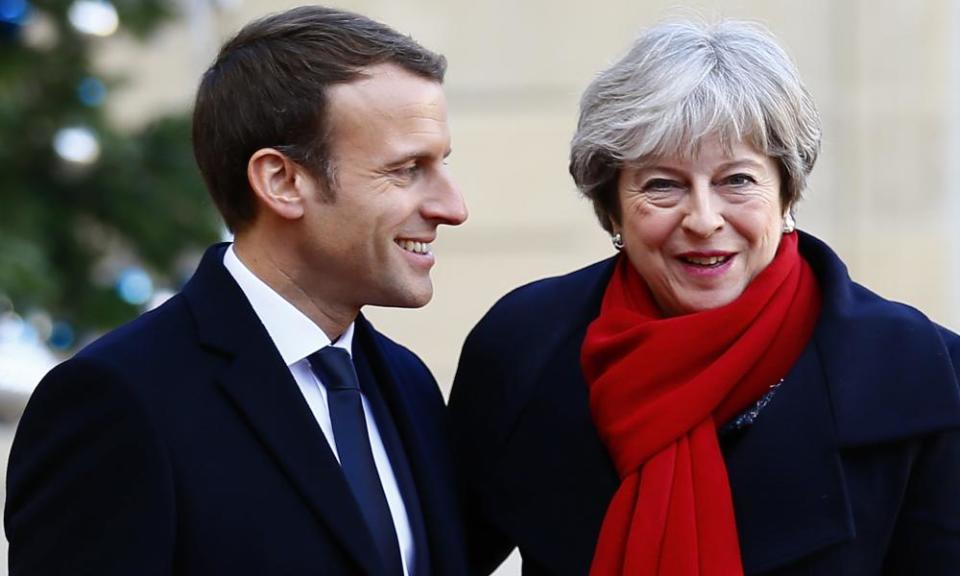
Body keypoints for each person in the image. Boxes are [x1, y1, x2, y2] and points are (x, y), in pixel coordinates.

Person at [449, 19, 960, 576]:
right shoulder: (523, 349)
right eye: (662, 185)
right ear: (611, 207)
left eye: (737, 180)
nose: (703, 218)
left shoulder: (920, 372)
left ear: (786, 192)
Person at [6, 6, 468, 575]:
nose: (453, 207)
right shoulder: (119, 398)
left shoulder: (409, 385)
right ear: (282, 181)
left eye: (442, 164)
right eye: (406, 170)